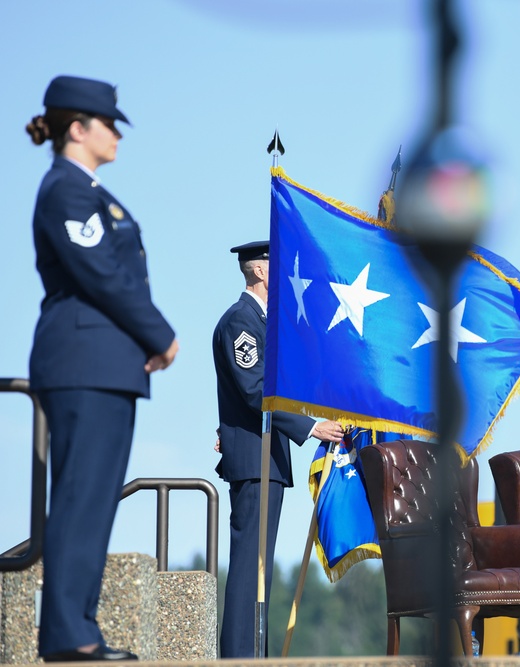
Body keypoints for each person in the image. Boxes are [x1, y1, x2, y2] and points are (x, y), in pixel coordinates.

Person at [26, 76, 179, 662]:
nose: (116, 134)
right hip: (82, 360)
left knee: (94, 501)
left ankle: (78, 628)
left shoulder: (91, 191)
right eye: (108, 123)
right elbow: (98, 273)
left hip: (108, 364)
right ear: (76, 128)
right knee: (80, 498)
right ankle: (68, 634)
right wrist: (159, 334)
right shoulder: (65, 189)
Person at [213, 240, 345, 658]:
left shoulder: (263, 323)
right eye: (278, 265)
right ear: (261, 272)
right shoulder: (241, 322)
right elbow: (256, 392)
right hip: (254, 459)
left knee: (260, 572)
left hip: (266, 458)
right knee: (250, 569)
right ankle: (240, 656)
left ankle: (254, 654)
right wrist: (310, 427)